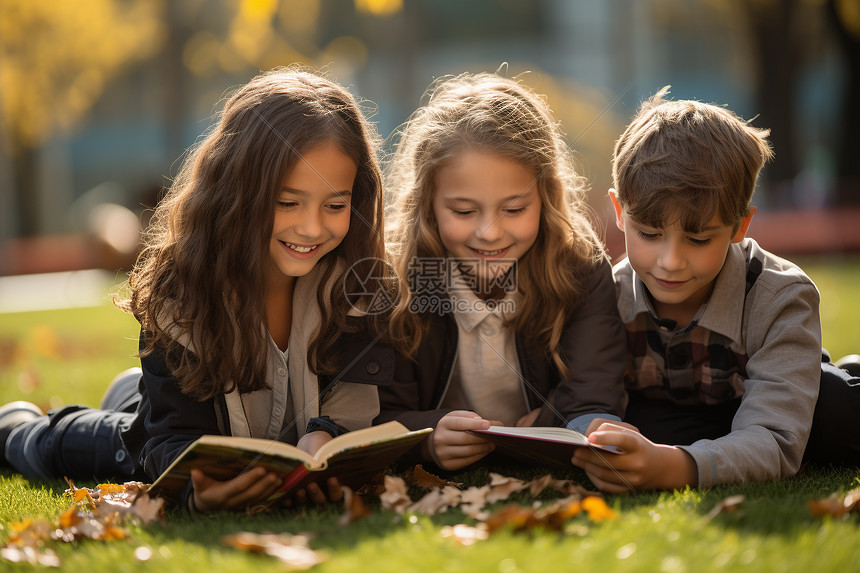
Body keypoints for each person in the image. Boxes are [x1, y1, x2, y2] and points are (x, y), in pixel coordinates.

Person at [0, 67, 395, 511]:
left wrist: (326, 438)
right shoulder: (184, 293)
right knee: (121, 444)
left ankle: (134, 393)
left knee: (148, 407)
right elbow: (172, 440)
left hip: (194, 412)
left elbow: (354, 402)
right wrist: (195, 491)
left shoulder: (357, 284)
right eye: (287, 202)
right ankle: (17, 429)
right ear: (237, 191)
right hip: (173, 430)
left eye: (335, 205)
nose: (311, 226)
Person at [571, 87, 860, 493]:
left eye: (699, 239)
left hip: (775, 401)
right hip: (692, 416)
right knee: (644, 423)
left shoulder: (782, 297)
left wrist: (676, 468)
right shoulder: (605, 295)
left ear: (740, 227)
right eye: (650, 233)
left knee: (834, 413)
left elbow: (776, 438)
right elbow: (583, 400)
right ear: (620, 213)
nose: (670, 261)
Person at [375, 72, 628, 471]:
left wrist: (548, 424)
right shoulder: (399, 280)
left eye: (514, 209)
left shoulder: (578, 268)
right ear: (427, 204)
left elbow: (595, 393)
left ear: (546, 198)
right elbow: (381, 413)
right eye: (463, 211)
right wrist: (426, 439)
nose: (489, 233)